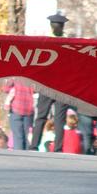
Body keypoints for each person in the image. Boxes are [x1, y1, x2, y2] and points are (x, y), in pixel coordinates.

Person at [30, 14, 70, 151]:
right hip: (62, 85)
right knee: (59, 119)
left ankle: (34, 145)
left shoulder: (44, 41)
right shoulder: (70, 42)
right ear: (63, 26)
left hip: (46, 84)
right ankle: (58, 148)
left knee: (41, 116)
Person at [3, 78, 36, 150]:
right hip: (29, 109)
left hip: (16, 109)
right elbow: (35, 90)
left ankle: (20, 156)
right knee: (27, 136)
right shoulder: (33, 76)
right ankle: (27, 155)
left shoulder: (15, 77)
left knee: (18, 136)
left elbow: (6, 89)